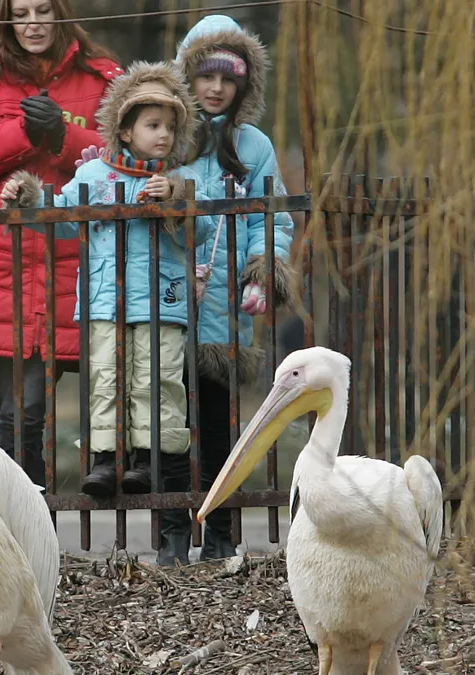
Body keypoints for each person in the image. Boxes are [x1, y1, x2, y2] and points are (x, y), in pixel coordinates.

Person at [0, 61, 214, 501]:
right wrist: (30, 197)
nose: (164, 136)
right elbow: (62, 219)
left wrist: (175, 198)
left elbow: (205, 229)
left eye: (170, 128)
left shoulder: (182, 179)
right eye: (153, 125)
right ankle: (106, 459)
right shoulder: (95, 176)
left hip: (162, 303)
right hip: (104, 301)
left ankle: (152, 459)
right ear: (124, 130)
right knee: (105, 378)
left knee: (158, 379)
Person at [0, 0, 122, 489]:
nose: (34, 22)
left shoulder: (103, 77)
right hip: (2, 262)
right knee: (19, 412)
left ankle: (46, 529)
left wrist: (62, 135)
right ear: (6, 18)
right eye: (22, 13)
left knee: (105, 402)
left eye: (43, 9)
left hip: (80, 260)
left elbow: (128, 155)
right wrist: (23, 131)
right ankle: (23, 529)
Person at [163, 14, 297, 565]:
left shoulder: (254, 145)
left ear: (244, 85)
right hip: (167, 301)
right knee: (167, 428)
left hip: (222, 310)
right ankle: (172, 531)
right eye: (205, 76)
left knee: (219, 429)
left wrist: (267, 266)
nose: (216, 88)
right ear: (187, 78)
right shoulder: (165, 133)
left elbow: (275, 218)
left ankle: (220, 531)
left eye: (229, 79)